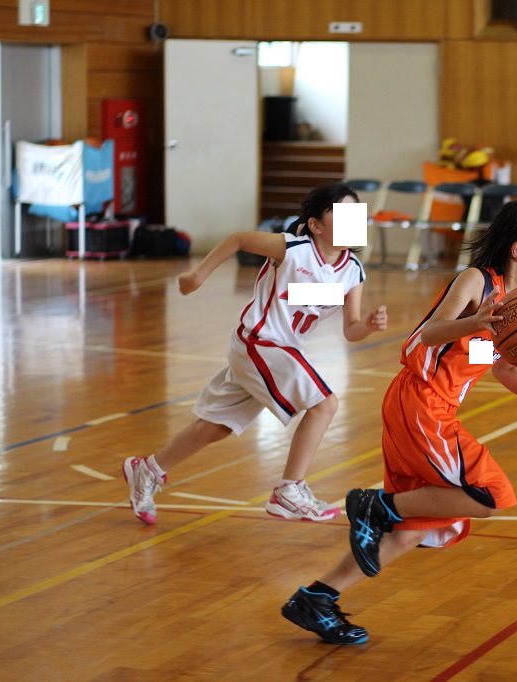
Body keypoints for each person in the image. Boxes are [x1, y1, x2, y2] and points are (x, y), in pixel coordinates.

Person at [280, 200, 517, 645]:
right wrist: (473, 320)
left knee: (419, 527)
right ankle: (375, 505)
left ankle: (318, 598)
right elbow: (425, 335)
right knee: (491, 494)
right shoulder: (476, 282)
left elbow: (492, 362)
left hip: (424, 408)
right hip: (421, 403)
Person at [122, 183, 388, 525]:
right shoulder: (292, 248)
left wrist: (367, 325)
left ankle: (147, 470)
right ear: (316, 225)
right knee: (326, 403)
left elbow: (351, 329)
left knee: (216, 428)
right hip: (259, 342)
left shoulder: (354, 271)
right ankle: (289, 491)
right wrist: (197, 275)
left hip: (279, 350)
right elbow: (238, 239)